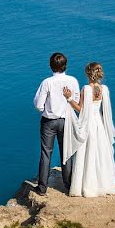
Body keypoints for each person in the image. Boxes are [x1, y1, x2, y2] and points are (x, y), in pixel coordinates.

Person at [61, 62, 115, 197]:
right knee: (100, 153)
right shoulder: (104, 89)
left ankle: (87, 186)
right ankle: (104, 185)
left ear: (88, 74)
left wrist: (69, 98)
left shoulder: (86, 89)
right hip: (99, 125)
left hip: (89, 124)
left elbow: (81, 109)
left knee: (87, 153)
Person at [33, 52, 80, 194]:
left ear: (51, 66)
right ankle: (69, 185)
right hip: (66, 120)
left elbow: (38, 105)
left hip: (49, 121)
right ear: (65, 66)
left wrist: (46, 110)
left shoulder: (47, 82)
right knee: (66, 152)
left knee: (46, 153)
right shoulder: (73, 81)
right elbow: (76, 102)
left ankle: (42, 187)